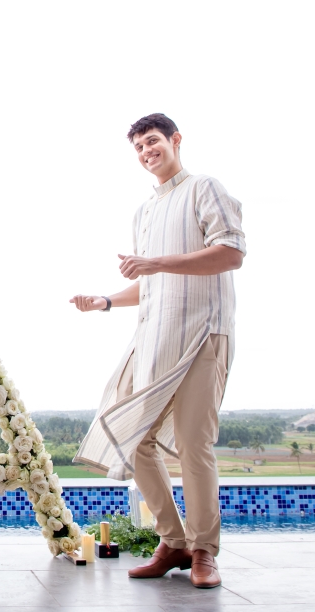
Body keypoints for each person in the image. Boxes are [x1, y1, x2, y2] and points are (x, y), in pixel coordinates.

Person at [71, 114, 245, 589]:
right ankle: (174, 542)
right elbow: (149, 283)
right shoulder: (144, 212)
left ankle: (205, 551)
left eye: (153, 142)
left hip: (202, 334)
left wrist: (155, 263)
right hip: (153, 339)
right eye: (139, 147)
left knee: (194, 445)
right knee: (132, 437)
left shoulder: (204, 188)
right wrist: (105, 301)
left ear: (175, 141)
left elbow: (230, 253)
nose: (147, 151)